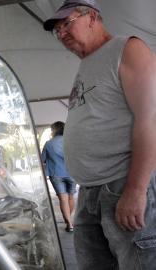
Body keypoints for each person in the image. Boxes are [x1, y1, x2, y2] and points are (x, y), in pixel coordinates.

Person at [43, 0, 156, 269]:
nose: (61, 34)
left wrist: (136, 190)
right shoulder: (87, 64)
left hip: (121, 185)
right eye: (57, 30)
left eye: (66, 24)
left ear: (92, 17)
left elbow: (149, 120)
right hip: (89, 192)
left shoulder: (127, 48)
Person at [41, 121, 76, 232]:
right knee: (70, 197)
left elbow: (42, 160)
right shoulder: (71, 142)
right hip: (72, 173)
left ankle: (69, 223)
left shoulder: (48, 144)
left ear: (54, 131)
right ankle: (69, 220)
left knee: (63, 199)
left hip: (56, 174)